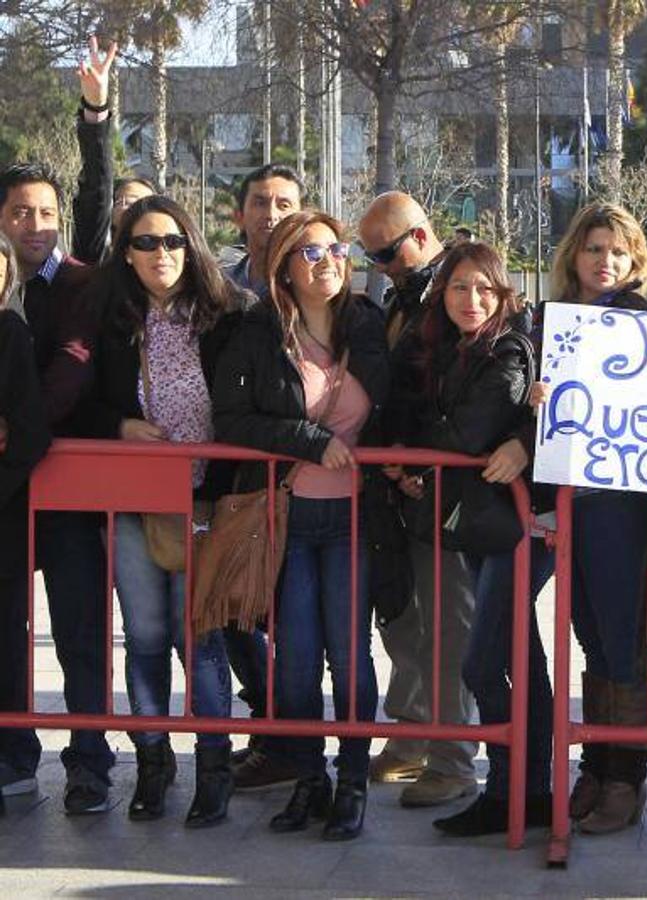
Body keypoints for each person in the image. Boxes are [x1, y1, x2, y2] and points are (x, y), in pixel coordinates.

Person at [214, 210, 389, 841]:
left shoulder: (367, 323)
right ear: (284, 266)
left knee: (349, 656)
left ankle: (352, 781)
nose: (328, 261)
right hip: (286, 514)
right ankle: (308, 776)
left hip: (352, 516)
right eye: (310, 253)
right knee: (292, 662)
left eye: (336, 249)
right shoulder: (257, 332)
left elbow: (402, 405)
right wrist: (307, 440)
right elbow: (232, 418)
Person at [77, 196, 247, 826]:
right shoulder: (108, 320)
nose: (161, 254)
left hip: (208, 500)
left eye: (173, 241)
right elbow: (79, 401)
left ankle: (214, 766)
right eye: (146, 243)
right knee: (146, 636)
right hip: (134, 501)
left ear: (191, 244)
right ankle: (152, 760)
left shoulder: (230, 315)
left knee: (198, 641)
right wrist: (119, 424)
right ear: (126, 251)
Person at [380, 241, 555, 836]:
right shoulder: (433, 344)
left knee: (486, 662)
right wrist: (405, 451)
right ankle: (521, 792)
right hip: (470, 523)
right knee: (515, 658)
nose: (471, 299)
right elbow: (397, 409)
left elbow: (466, 432)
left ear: (503, 293)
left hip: (513, 525)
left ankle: (521, 787)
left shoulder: (510, 346)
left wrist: (416, 450)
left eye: (484, 288)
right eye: (459, 287)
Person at [0, 37, 119, 816]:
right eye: (18, 211)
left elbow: (96, 201)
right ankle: (12, 760)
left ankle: (89, 761)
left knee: (80, 634)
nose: (35, 223)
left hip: (70, 488)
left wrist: (95, 114)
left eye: (44, 211)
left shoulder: (81, 279)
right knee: (6, 637)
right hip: (7, 495)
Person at [534, 202, 647, 834]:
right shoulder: (549, 320)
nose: (605, 260)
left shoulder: (645, 323)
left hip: (621, 506)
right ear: (573, 256)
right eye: (594, 248)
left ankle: (626, 776)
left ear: (635, 261)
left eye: (618, 250)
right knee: (587, 637)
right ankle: (595, 761)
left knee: (620, 639)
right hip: (565, 501)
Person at [356, 191, 455, 791]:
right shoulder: (406, 295)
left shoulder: (455, 287)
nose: (383, 266)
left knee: (438, 624)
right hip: (399, 478)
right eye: (373, 257)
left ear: (419, 236)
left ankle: (441, 747)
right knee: (403, 614)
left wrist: (417, 459)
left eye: (388, 253)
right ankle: (416, 732)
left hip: (433, 481)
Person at [219, 162, 304, 791]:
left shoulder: (323, 285)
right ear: (240, 213)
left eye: (283, 202)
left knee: (298, 625)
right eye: (259, 202)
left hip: (306, 487)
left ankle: (298, 749)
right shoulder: (218, 290)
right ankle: (269, 731)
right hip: (235, 481)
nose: (270, 214)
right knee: (236, 613)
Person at [0, 232, 51, 820]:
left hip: (4, 520)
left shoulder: (9, 332)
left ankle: (14, 750)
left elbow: (29, 430)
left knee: (5, 643)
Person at [222, 163, 304, 301]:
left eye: (284, 205)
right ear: (239, 217)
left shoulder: (311, 287)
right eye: (260, 203)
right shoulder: (219, 287)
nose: (271, 215)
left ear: (302, 219)